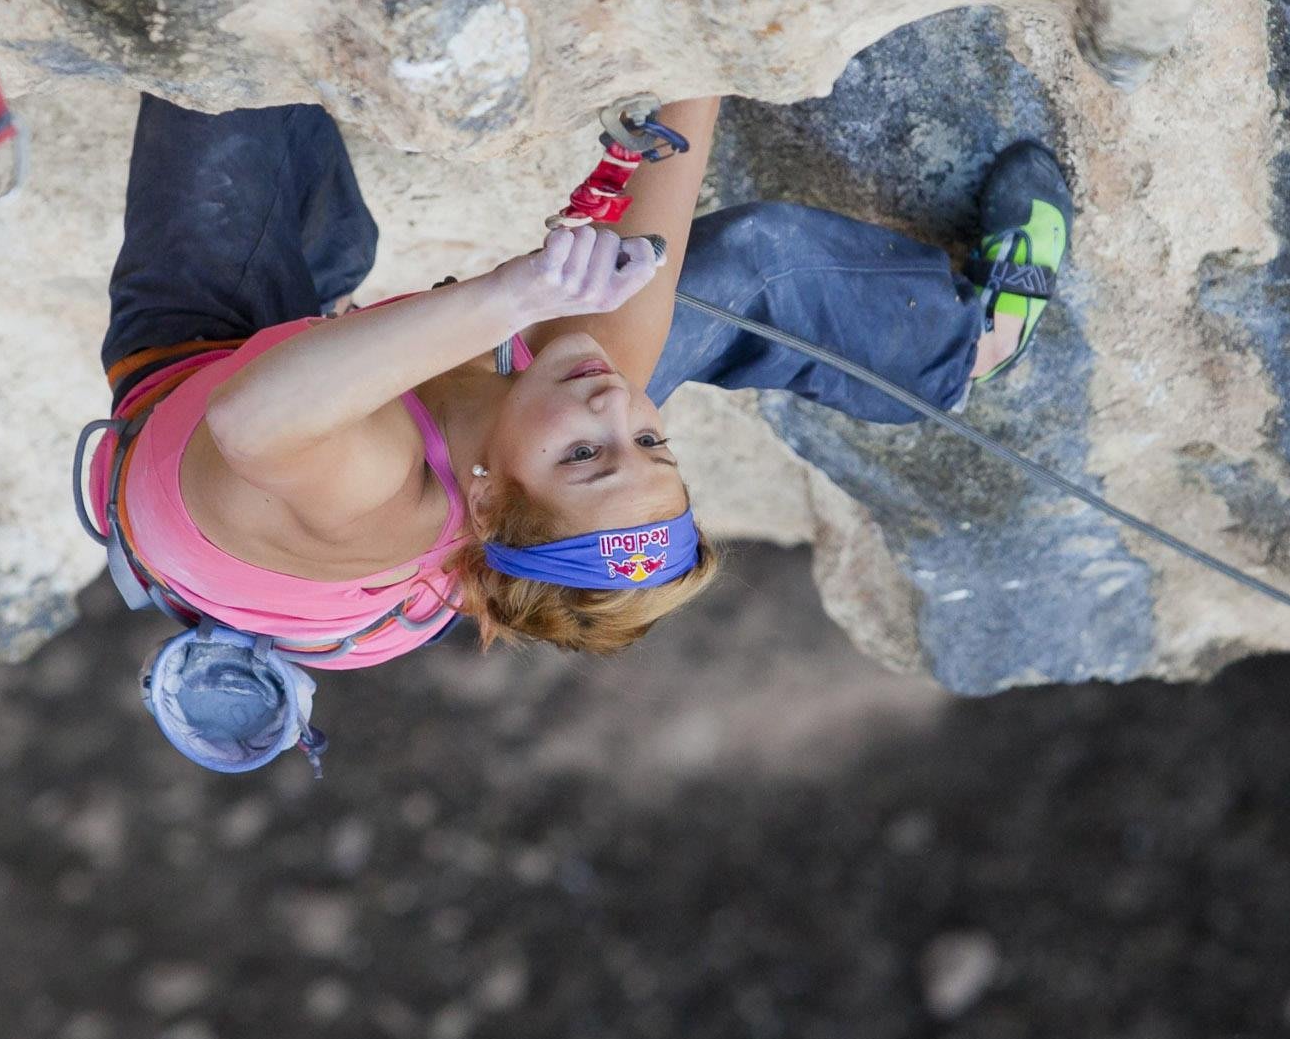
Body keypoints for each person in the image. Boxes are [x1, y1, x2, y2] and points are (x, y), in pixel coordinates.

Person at [87, 91, 1072, 766]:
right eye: (653, 445)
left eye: (587, 458)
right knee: (747, 269)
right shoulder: (581, 402)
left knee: (232, 63)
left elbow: (251, 414)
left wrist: (507, 300)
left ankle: (325, 258)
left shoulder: (375, 488)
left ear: (486, 499)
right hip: (448, 423)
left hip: (204, 361)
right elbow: (669, 164)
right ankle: (965, 348)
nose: (618, 413)